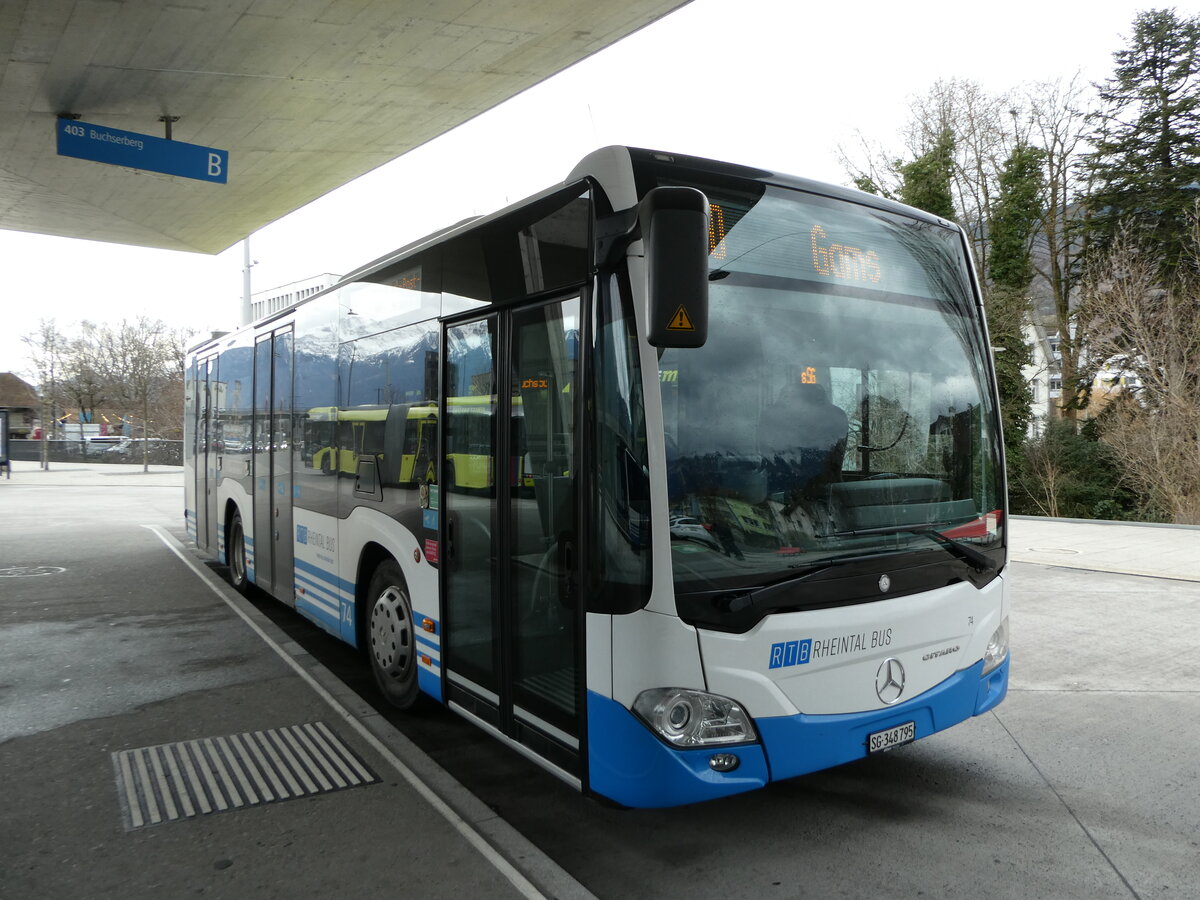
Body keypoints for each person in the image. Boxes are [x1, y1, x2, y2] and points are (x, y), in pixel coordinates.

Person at [759, 377, 848, 510]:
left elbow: (832, 463)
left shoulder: (772, 415)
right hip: (815, 496)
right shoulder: (838, 415)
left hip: (812, 496)